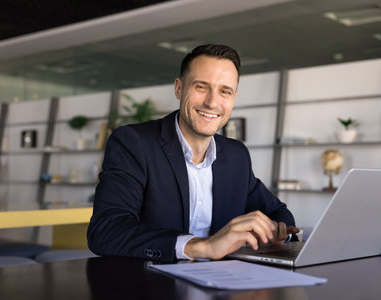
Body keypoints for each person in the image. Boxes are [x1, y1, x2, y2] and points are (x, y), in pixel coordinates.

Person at [87, 44, 298, 262]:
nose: (212, 102)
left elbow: (280, 215)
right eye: (201, 87)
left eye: (224, 91)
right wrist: (202, 246)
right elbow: (106, 232)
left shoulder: (236, 155)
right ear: (179, 88)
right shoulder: (134, 143)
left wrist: (272, 229)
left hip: (223, 285)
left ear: (233, 98)